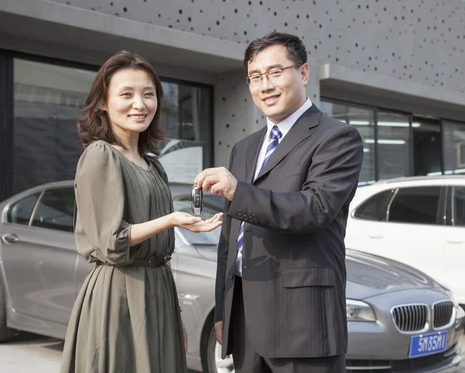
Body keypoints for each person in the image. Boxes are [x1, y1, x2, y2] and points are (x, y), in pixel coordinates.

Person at [194, 32, 364, 373]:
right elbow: (230, 239)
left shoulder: (336, 137)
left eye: (275, 72)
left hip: (302, 323)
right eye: (255, 77)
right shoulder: (244, 148)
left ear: (303, 73)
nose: (265, 85)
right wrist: (224, 309)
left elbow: (314, 209)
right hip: (244, 320)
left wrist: (237, 191)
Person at [59, 50, 222, 373]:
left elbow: (160, 256)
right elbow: (112, 241)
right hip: (119, 294)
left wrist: (173, 316)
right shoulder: (100, 155)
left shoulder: (152, 165)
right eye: (127, 94)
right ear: (103, 103)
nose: (140, 104)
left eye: (149, 94)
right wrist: (173, 219)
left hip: (158, 291)